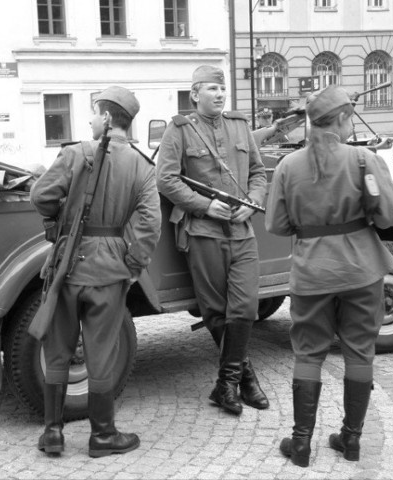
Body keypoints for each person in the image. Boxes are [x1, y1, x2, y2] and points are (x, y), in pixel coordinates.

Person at [265, 85, 393, 467]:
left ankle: (301, 444)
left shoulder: (287, 166)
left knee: (308, 353)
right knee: (360, 350)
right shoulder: (363, 159)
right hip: (362, 268)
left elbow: (276, 224)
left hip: (312, 271)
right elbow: (391, 217)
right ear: (343, 119)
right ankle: (352, 440)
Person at [30, 86, 162, 458]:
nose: (89, 119)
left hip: (67, 265)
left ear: (106, 118)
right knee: (101, 353)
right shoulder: (142, 165)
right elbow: (151, 225)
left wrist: (60, 220)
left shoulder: (74, 154)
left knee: (57, 349)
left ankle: (53, 432)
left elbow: (40, 196)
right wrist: (133, 263)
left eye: (92, 113)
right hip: (109, 271)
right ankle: (102, 436)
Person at [156, 65, 269, 416]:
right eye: (211, 88)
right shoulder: (179, 130)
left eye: (222, 88)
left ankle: (226, 383)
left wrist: (251, 205)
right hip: (202, 232)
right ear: (194, 95)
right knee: (217, 312)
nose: (220, 94)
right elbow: (166, 180)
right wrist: (206, 206)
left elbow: (258, 174)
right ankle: (244, 378)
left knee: (246, 306)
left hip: (242, 230)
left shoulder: (239, 125)